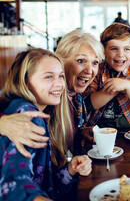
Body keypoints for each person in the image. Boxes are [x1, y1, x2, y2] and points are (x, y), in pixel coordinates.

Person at [0, 49, 92, 200]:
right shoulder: (27, 116)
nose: (59, 84)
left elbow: (43, 182)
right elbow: (13, 185)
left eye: (60, 76)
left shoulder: (38, 112)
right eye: (48, 77)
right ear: (24, 81)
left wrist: (70, 170)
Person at [0, 29, 104, 157]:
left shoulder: (76, 97)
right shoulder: (48, 96)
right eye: (80, 61)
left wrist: (79, 132)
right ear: (60, 61)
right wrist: (2, 123)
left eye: (95, 63)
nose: (89, 70)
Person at [85, 23, 130, 128]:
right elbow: (88, 104)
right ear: (104, 51)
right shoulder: (97, 70)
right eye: (114, 49)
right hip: (100, 131)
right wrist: (117, 88)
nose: (120, 54)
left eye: (126, 49)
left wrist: (128, 86)